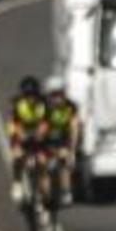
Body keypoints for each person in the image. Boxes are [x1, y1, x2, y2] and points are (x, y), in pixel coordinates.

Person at [8, 76, 49, 204]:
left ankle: (44, 189)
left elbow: (46, 122)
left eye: (33, 95)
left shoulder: (43, 105)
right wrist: (20, 135)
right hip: (22, 134)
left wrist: (41, 133)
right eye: (28, 96)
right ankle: (17, 183)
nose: (31, 99)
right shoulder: (18, 105)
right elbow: (14, 123)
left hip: (39, 137)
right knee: (17, 155)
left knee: (42, 161)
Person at [42, 75, 80, 207]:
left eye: (60, 94)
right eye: (54, 95)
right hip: (45, 144)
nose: (58, 99)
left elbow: (74, 128)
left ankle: (66, 191)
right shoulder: (43, 108)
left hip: (62, 142)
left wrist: (72, 150)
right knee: (43, 165)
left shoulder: (70, 107)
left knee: (65, 160)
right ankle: (43, 195)